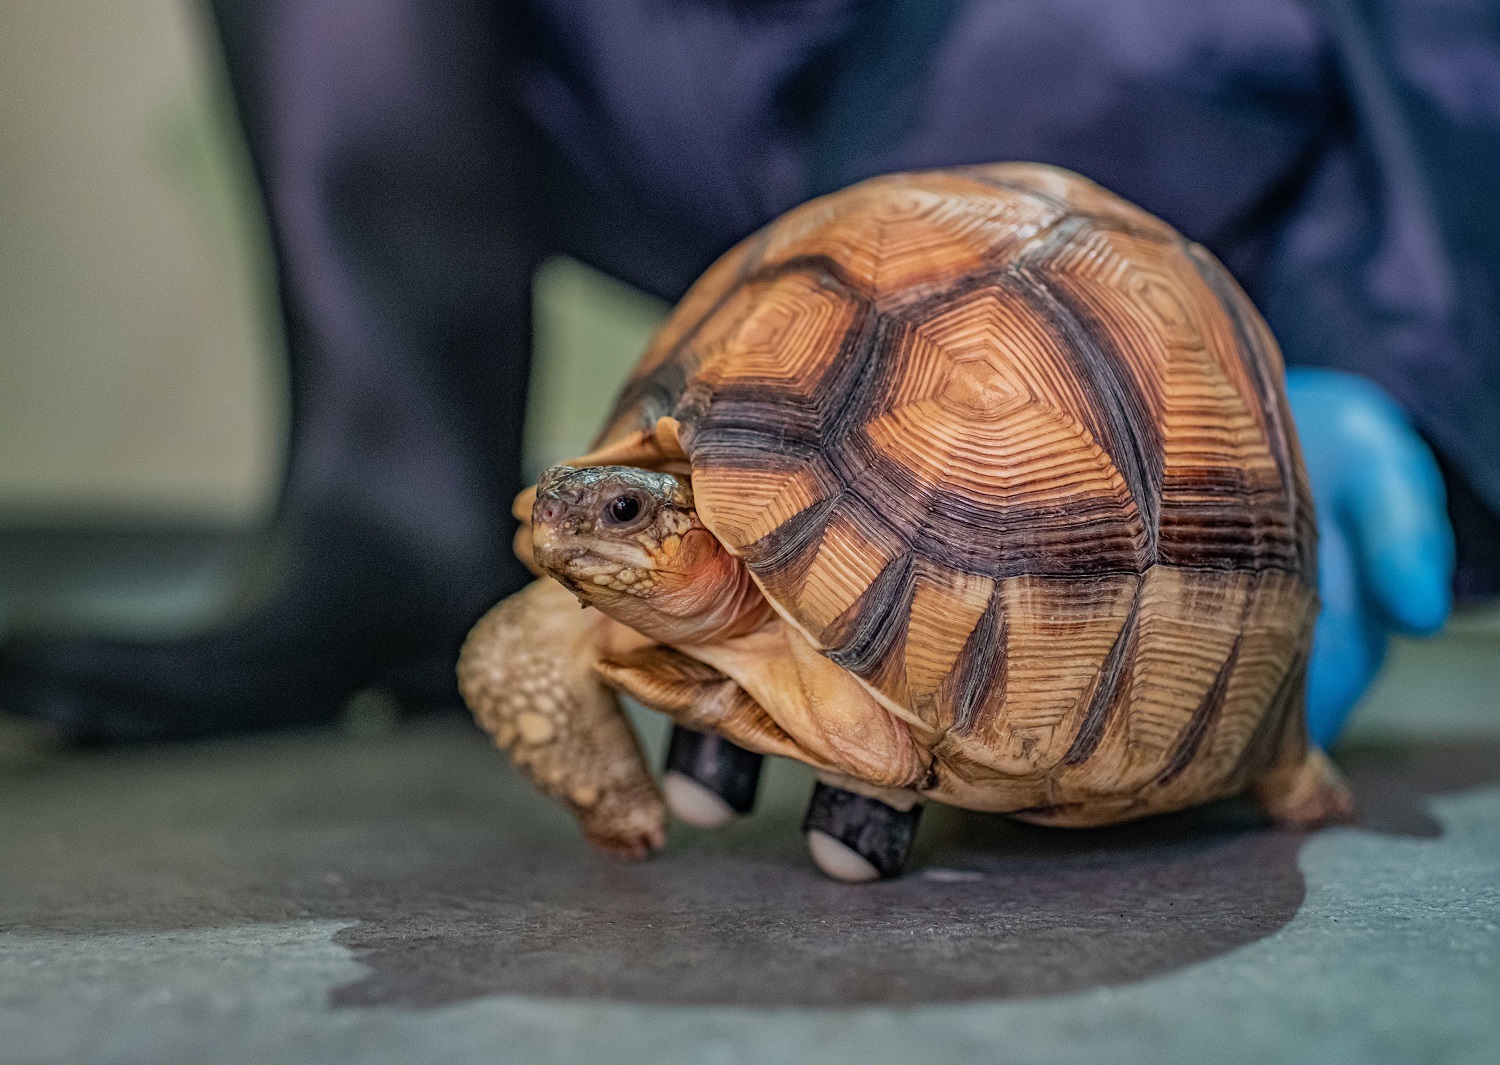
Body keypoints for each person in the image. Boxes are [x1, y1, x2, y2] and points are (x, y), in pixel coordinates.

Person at [3, 0, 1496, 753]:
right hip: (705, 68)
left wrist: (1396, 349)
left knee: (1025, 97)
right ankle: (392, 509)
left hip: (1099, 78)